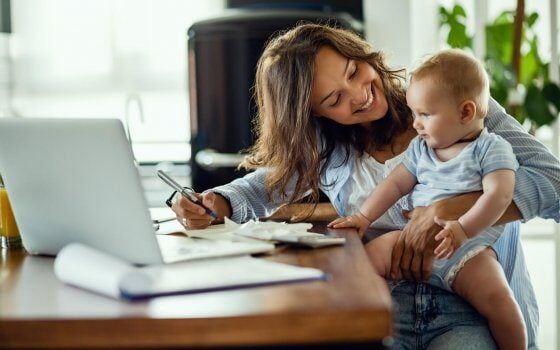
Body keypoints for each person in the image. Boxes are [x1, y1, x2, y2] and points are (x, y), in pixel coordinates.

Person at [172, 24, 560, 349]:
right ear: (313, 113)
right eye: (335, 98)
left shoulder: (451, 100)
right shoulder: (327, 146)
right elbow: (262, 187)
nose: (360, 94)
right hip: (382, 303)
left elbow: (554, 184)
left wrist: (448, 209)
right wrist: (215, 202)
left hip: (470, 301)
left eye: (354, 70)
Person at [329, 49, 526, 349]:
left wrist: (463, 229)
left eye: (425, 115)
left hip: (467, 252)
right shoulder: (422, 149)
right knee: (362, 261)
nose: (416, 124)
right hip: (410, 240)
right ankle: (372, 322)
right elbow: (394, 185)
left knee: (500, 301)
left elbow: (500, 196)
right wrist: (364, 217)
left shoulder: (491, 149)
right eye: (414, 114)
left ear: (465, 113)